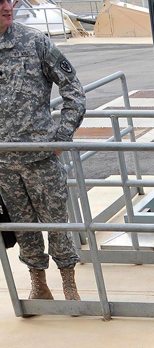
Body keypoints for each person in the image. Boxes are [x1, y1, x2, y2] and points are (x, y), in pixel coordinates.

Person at [0, 0, 85, 301]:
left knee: (56, 222)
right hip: (3, 166)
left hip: (41, 159)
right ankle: (38, 283)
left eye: (8, 0)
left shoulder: (34, 42)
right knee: (23, 227)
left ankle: (69, 282)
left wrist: (62, 137)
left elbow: (74, 91)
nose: (7, 6)